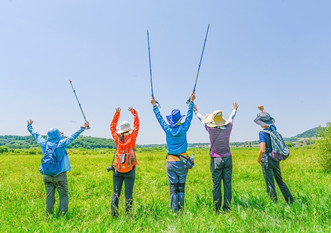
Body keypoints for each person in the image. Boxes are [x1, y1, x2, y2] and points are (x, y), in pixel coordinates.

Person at [26, 120, 89, 217]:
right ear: (58, 135)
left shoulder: (44, 143)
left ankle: (48, 216)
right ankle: (62, 216)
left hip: (47, 175)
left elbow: (36, 135)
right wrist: (83, 128)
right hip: (60, 175)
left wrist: (29, 126)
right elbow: (72, 136)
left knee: (49, 196)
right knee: (63, 196)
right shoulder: (61, 143)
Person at [150, 93, 196, 213]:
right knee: (181, 188)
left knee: (173, 188)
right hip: (182, 162)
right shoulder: (184, 128)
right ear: (180, 119)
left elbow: (159, 119)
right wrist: (191, 102)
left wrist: (154, 106)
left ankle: (174, 212)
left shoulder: (168, 129)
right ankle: (181, 210)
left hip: (170, 162)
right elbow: (190, 116)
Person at [193, 102, 239, 212]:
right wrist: (234, 109)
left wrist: (196, 111)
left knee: (216, 185)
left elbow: (201, 119)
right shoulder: (229, 127)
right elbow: (231, 117)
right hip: (228, 158)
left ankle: (217, 209)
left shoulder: (210, 129)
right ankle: (227, 208)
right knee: (228, 184)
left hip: (215, 159)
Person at [254, 105, 294, 204]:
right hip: (275, 158)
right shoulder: (273, 129)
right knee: (280, 181)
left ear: (260, 123)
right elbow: (269, 120)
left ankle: (274, 204)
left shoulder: (262, 133)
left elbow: (262, 149)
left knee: (270, 184)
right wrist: (263, 110)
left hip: (267, 160)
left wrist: (258, 159)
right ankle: (290, 201)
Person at [110, 107, 139, 218]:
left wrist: (117, 113)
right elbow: (137, 125)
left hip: (118, 169)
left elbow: (112, 127)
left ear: (120, 130)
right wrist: (134, 112)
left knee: (116, 193)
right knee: (128, 194)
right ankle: (128, 215)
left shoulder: (117, 138)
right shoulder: (132, 137)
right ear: (129, 129)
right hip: (130, 169)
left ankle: (114, 215)